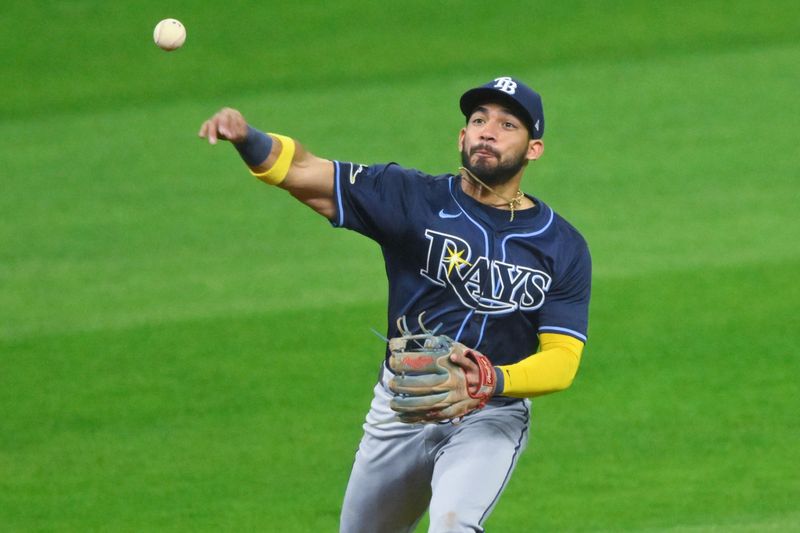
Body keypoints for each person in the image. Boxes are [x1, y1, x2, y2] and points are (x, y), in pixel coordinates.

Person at [199, 76, 591, 533]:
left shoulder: (561, 246)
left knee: (452, 525)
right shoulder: (410, 197)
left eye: (507, 124)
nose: (488, 130)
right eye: (479, 120)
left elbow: (562, 362)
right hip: (402, 406)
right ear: (462, 137)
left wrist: (491, 381)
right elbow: (306, 172)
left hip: (491, 415)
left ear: (533, 149)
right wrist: (248, 138)